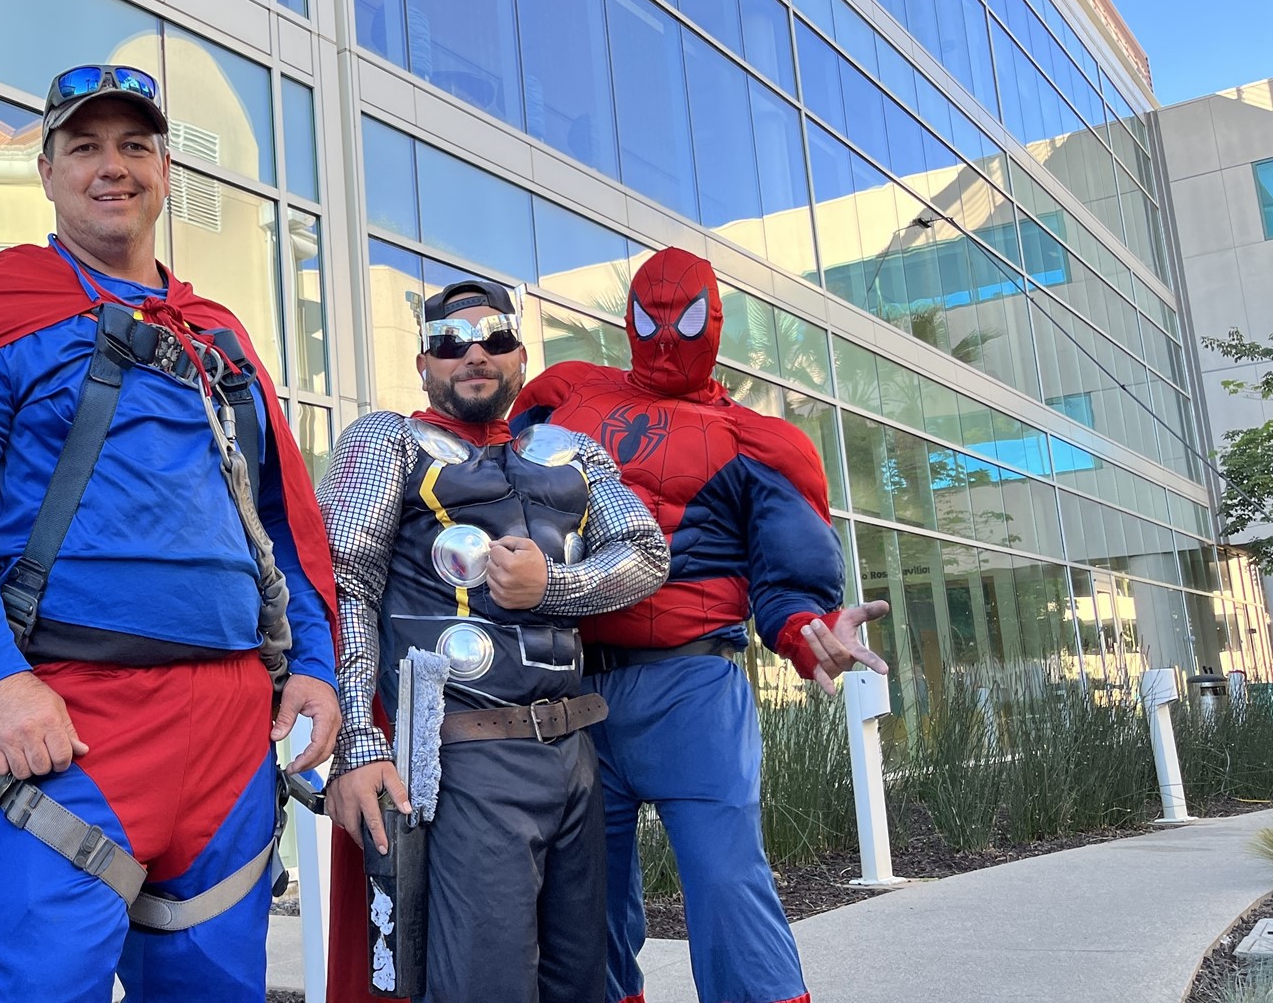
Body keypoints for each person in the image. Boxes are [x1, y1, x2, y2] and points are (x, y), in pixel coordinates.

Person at [0, 63, 341, 1002]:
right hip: (71, 718)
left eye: (135, 145)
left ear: (165, 171)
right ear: (48, 171)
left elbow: (280, 520)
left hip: (232, 727)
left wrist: (315, 662)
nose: (113, 166)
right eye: (86, 147)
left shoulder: (218, 333)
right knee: (39, 987)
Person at [511, 246, 889, 1003]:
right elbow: (492, 488)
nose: (664, 336)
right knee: (588, 904)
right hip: (577, 684)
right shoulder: (564, 396)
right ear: (626, 316)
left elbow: (787, 580)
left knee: (726, 883)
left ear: (713, 321)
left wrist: (809, 630)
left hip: (695, 683)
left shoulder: (764, 442)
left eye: (681, 319)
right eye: (649, 317)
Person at [318, 279, 670, 1002]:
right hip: (461, 758)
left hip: (573, 752)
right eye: (451, 342)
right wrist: (360, 741)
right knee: (485, 984)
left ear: (520, 356)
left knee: (581, 983)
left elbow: (646, 553)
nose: (474, 353)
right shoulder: (386, 440)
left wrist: (554, 588)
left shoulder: (573, 452)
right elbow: (339, 584)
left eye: (495, 339)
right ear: (423, 363)